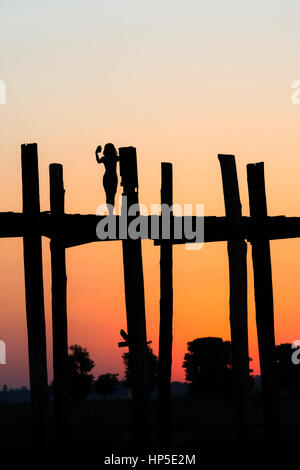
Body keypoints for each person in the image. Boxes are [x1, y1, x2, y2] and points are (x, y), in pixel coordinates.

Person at [95, 143, 119, 214]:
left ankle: (110, 212)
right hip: (111, 177)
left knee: (110, 195)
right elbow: (98, 161)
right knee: (111, 195)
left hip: (109, 177)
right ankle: (111, 212)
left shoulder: (106, 158)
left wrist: (96, 153)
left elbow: (98, 161)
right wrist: (96, 153)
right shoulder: (114, 158)